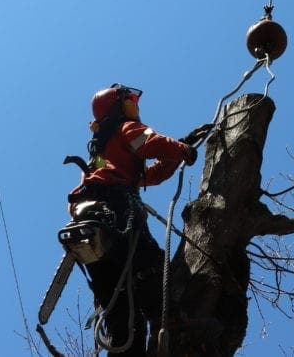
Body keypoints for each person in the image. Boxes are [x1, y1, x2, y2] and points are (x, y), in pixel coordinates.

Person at [67, 83, 200, 357]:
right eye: (130, 99)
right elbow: (149, 143)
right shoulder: (125, 128)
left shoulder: (103, 152)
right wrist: (182, 150)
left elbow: (150, 176)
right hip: (115, 212)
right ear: (119, 105)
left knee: (126, 318)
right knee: (152, 265)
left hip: (94, 221)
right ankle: (172, 321)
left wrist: (179, 151)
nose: (135, 103)